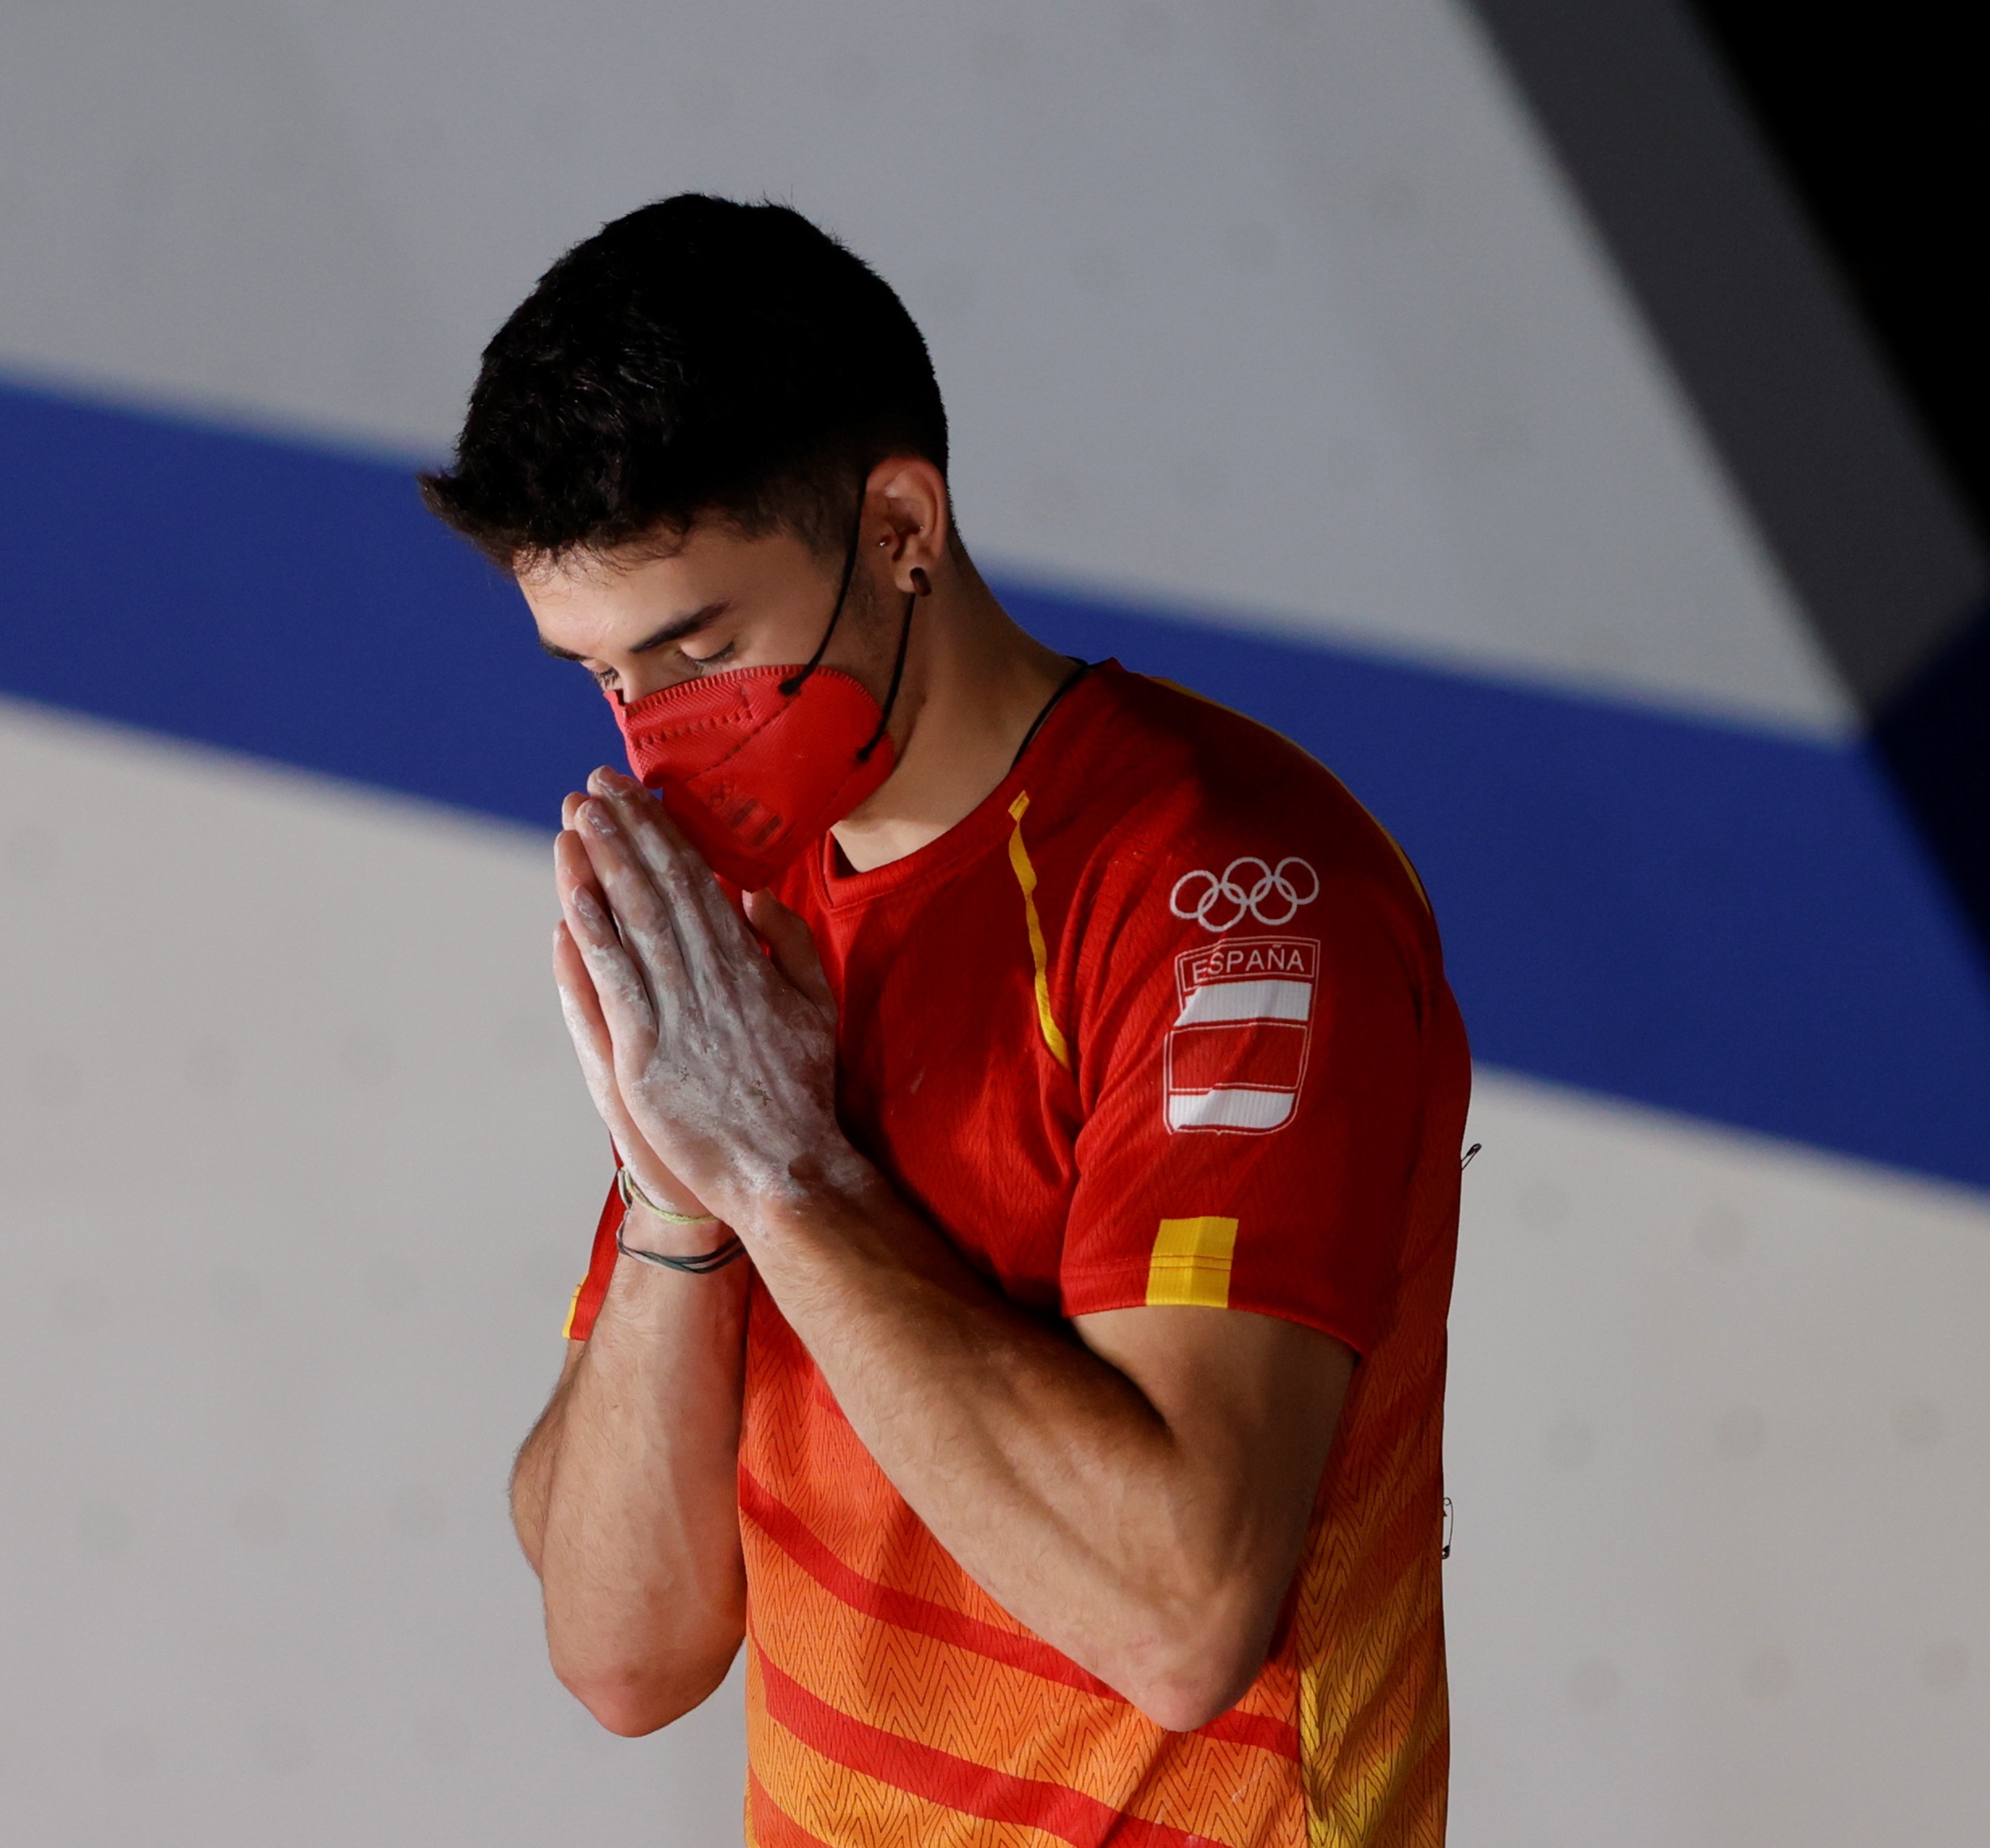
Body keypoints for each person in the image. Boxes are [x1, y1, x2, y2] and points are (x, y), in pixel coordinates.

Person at [421, 195, 1467, 1847]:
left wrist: (786, 1175)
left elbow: (1182, 1618)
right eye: (604, 679)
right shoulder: (750, 934)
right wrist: (680, 1203)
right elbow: (620, 1654)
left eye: (700, 653)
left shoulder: (1232, 891)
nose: (656, 744)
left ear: (903, 527)